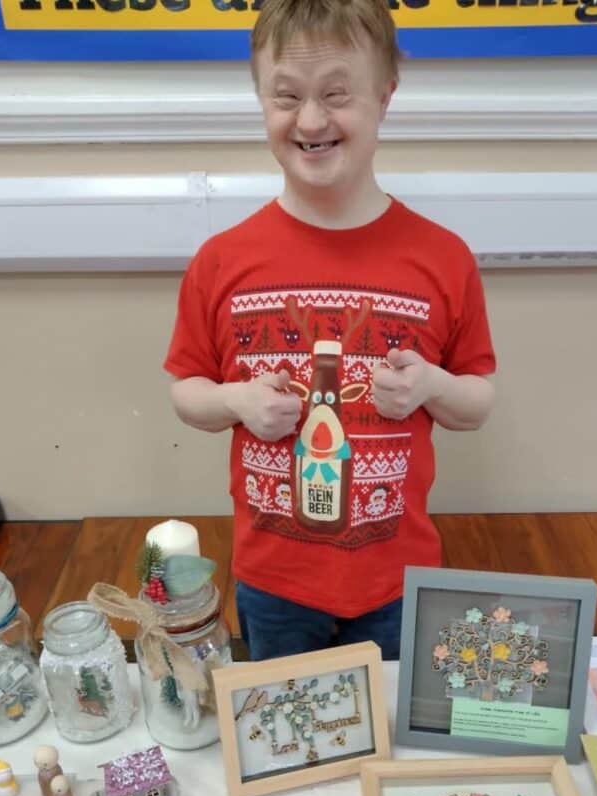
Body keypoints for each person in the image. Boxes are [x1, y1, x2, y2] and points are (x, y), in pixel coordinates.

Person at [164, 0, 496, 662]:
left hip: (398, 581)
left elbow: (478, 400)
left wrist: (431, 385)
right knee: (294, 751)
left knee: (391, 751)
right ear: (261, 99)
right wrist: (235, 400)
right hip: (273, 584)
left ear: (384, 96)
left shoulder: (443, 257)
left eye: (336, 95)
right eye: (286, 97)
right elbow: (186, 389)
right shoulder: (222, 261)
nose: (311, 120)